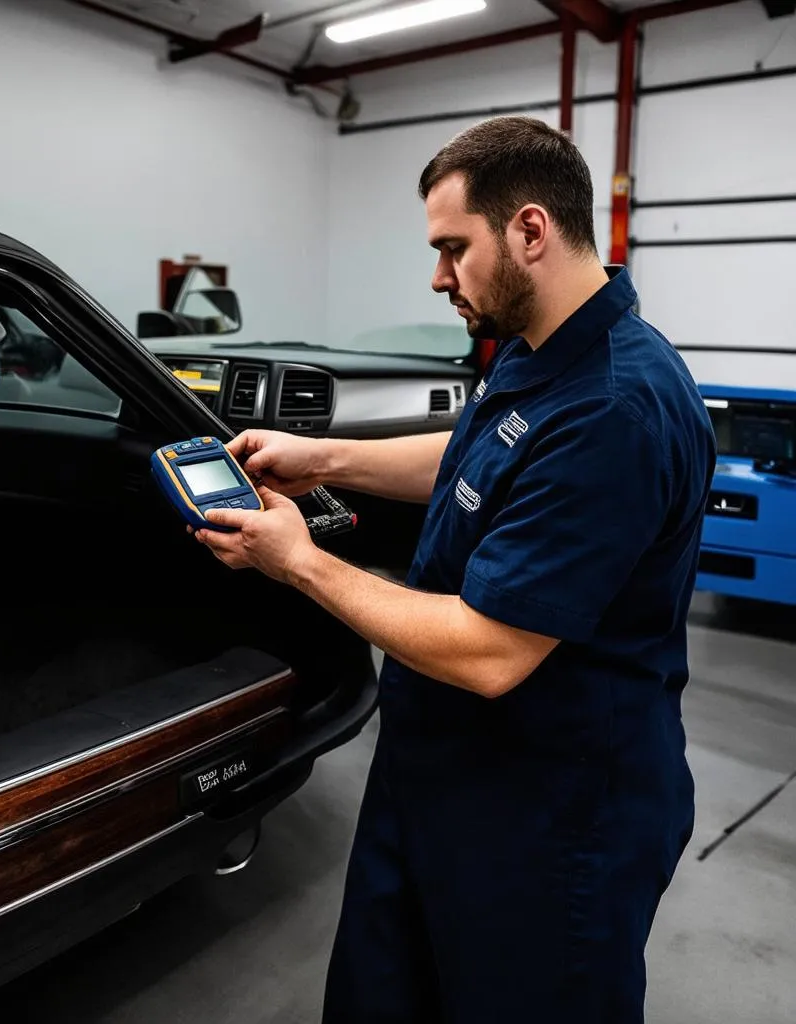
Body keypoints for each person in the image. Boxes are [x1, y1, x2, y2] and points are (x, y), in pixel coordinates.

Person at [193, 115, 717, 1023]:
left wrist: (300, 564)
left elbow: (488, 653)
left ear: (529, 231)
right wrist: (327, 458)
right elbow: (479, 449)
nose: (438, 277)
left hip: (552, 815)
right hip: (446, 772)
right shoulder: (538, 346)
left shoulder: (615, 410)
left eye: (451, 249)